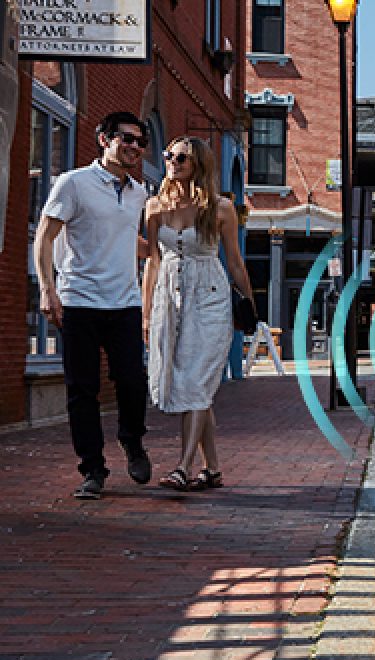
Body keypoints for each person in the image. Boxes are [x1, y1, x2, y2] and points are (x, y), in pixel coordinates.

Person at [33, 111, 153, 500]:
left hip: (125, 302)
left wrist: (171, 248)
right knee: (82, 389)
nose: (134, 147)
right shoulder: (73, 183)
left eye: (140, 141)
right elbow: (45, 236)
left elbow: (126, 238)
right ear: (104, 139)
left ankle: (132, 441)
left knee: (132, 381)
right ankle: (93, 469)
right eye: (126, 138)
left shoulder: (139, 193)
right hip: (79, 300)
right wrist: (47, 289)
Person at [143, 136, 253, 491]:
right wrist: (146, 313)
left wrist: (249, 307)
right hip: (169, 300)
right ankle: (213, 469)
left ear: (199, 165)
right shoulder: (154, 206)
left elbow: (234, 261)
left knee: (196, 381)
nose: (172, 162)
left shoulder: (220, 208)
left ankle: (183, 467)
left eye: (182, 158)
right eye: (169, 155)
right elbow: (153, 262)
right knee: (192, 386)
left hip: (210, 297)